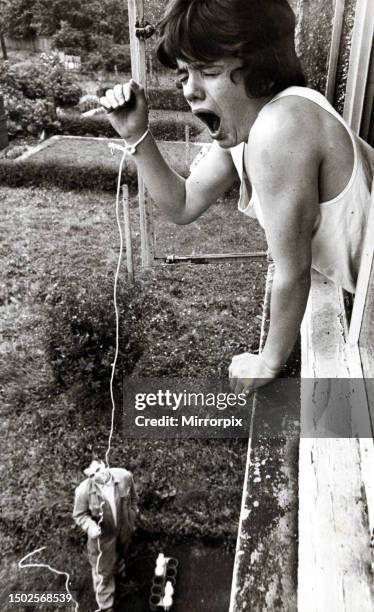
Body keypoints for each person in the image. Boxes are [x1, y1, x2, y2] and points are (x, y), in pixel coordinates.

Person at [100, 0, 374, 395]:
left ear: (260, 64)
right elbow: (182, 204)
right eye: (183, 75)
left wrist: (266, 362)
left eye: (209, 72)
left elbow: (292, 270)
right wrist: (136, 136)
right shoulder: (253, 127)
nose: (191, 91)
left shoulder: (281, 125)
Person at [73, 460, 138, 611]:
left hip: (124, 530)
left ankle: (120, 572)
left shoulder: (124, 476)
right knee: (103, 570)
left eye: (98, 469)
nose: (98, 475)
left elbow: (134, 498)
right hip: (103, 539)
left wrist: (133, 515)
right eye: (92, 475)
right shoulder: (83, 491)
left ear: (104, 463)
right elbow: (79, 515)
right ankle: (106, 605)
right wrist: (91, 526)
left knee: (122, 553)